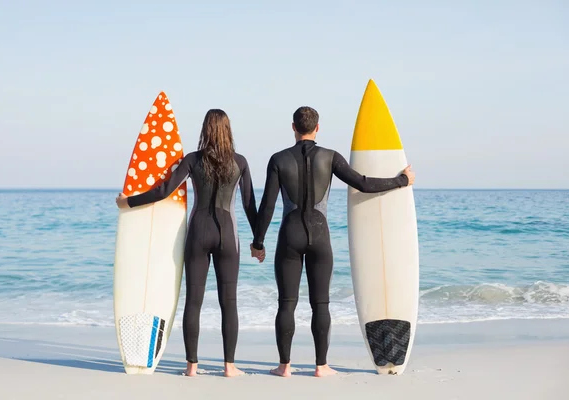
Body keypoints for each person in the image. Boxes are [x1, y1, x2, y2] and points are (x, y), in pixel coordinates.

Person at [250, 106, 415, 378]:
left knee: (286, 303)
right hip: (320, 235)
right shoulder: (330, 157)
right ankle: (321, 366)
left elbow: (267, 206)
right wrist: (401, 180)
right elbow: (362, 183)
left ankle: (284, 366)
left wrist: (258, 242)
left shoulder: (278, 159)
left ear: (293, 127)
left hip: (289, 236)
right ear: (317, 128)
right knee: (321, 303)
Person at [116, 109, 259, 378]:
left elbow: (164, 190)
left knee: (193, 301)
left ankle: (191, 367)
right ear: (228, 130)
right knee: (229, 302)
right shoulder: (240, 162)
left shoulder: (193, 160)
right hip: (228, 235)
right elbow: (250, 205)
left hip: (198, 233)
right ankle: (229, 366)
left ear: (205, 129)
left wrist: (129, 201)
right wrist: (258, 242)